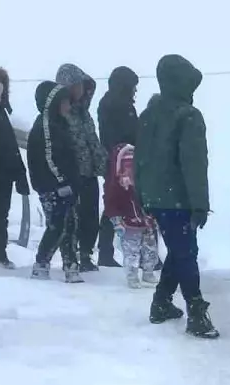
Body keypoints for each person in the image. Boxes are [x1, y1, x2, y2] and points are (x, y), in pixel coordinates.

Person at [136, 54, 219, 339]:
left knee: (179, 248)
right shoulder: (188, 116)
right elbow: (194, 163)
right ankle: (196, 311)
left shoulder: (147, 115)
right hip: (180, 197)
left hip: (156, 197)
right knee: (186, 252)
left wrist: (143, 194)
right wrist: (200, 204)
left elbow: (140, 160)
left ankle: (161, 302)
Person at [26, 81, 82, 282]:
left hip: (66, 185)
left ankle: (71, 265)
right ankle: (41, 263)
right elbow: (49, 158)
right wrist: (62, 182)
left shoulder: (59, 124)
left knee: (71, 224)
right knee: (57, 226)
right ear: (54, 103)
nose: (69, 106)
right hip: (53, 187)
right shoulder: (45, 126)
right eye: (65, 102)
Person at [55, 64, 108, 272]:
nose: (80, 89)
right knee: (71, 219)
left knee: (90, 216)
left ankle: (86, 254)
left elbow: (93, 143)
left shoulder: (84, 114)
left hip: (89, 174)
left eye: (81, 85)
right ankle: (72, 256)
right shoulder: (60, 114)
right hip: (71, 175)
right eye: (76, 85)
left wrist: (104, 165)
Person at [95, 66, 141, 268]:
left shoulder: (111, 103)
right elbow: (127, 134)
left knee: (115, 206)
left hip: (118, 160)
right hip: (122, 161)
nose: (135, 91)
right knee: (126, 205)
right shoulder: (118, 105)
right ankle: (111, 252)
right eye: (133, 87)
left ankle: (107, 251)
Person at [0, 64, 29, 269]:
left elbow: (11, 145)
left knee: (0, 216)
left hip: (3, 174)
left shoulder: (1, 112)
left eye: (1, 85)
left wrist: (20, 173)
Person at [103, 143, 159, 290]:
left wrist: (154, 213)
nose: (129, 170)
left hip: (147, 221)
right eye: (126, 166)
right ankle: (132, 275)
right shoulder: (116, 186)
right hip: (128, 222)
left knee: (150, 248)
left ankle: (148, 271)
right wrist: (116, 219)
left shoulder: (145, 183)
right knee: (131, 251)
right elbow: (110, 203)